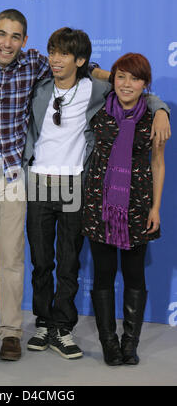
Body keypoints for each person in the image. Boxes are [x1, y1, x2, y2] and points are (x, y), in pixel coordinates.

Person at [0, 10, 171, 362]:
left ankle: (34, 330)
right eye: (1, 35)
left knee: (41, 260)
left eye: (15, 36)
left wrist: (160, 106)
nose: (7, 43)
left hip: (44, 180)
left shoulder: (61, 74)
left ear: (25, 42)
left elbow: (127, 86)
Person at [22, 29, 170, 360]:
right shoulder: (38, 83)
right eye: (52, 52)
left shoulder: (97, 90)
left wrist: (162, 109)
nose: (56, 59)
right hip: (38, 181)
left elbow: (141, 95)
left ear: (81, 60)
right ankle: (44, 321)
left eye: (64, 54)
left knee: (70, 261)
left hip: (77, 183)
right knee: (41, 261)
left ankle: (63, 327)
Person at [82, 53, 166, 366]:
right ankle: (109, 343)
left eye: (135, 78)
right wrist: (110, 73)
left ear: (146, 84)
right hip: (100, 205)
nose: (126, 84)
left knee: (134, 277)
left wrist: (156, 207)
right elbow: (88, 70)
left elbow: (157, 163)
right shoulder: (98, 108)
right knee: (103, 276)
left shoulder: (153, 117)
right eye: (121, 77)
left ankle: (130, 344)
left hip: (138, 206)